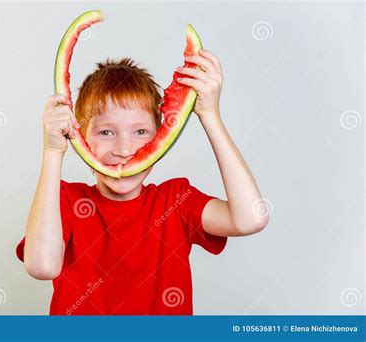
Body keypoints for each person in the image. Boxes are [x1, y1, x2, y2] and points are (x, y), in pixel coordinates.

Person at [16, 50, 269, 315]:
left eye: (140, 132)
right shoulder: (65, 200)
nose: (124, 149)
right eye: (105, 131)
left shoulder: (177, 202)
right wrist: (53, 152)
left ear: (161, 136)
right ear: (79, 135)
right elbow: (42, 266)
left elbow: (251, 218)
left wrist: (210, 116)